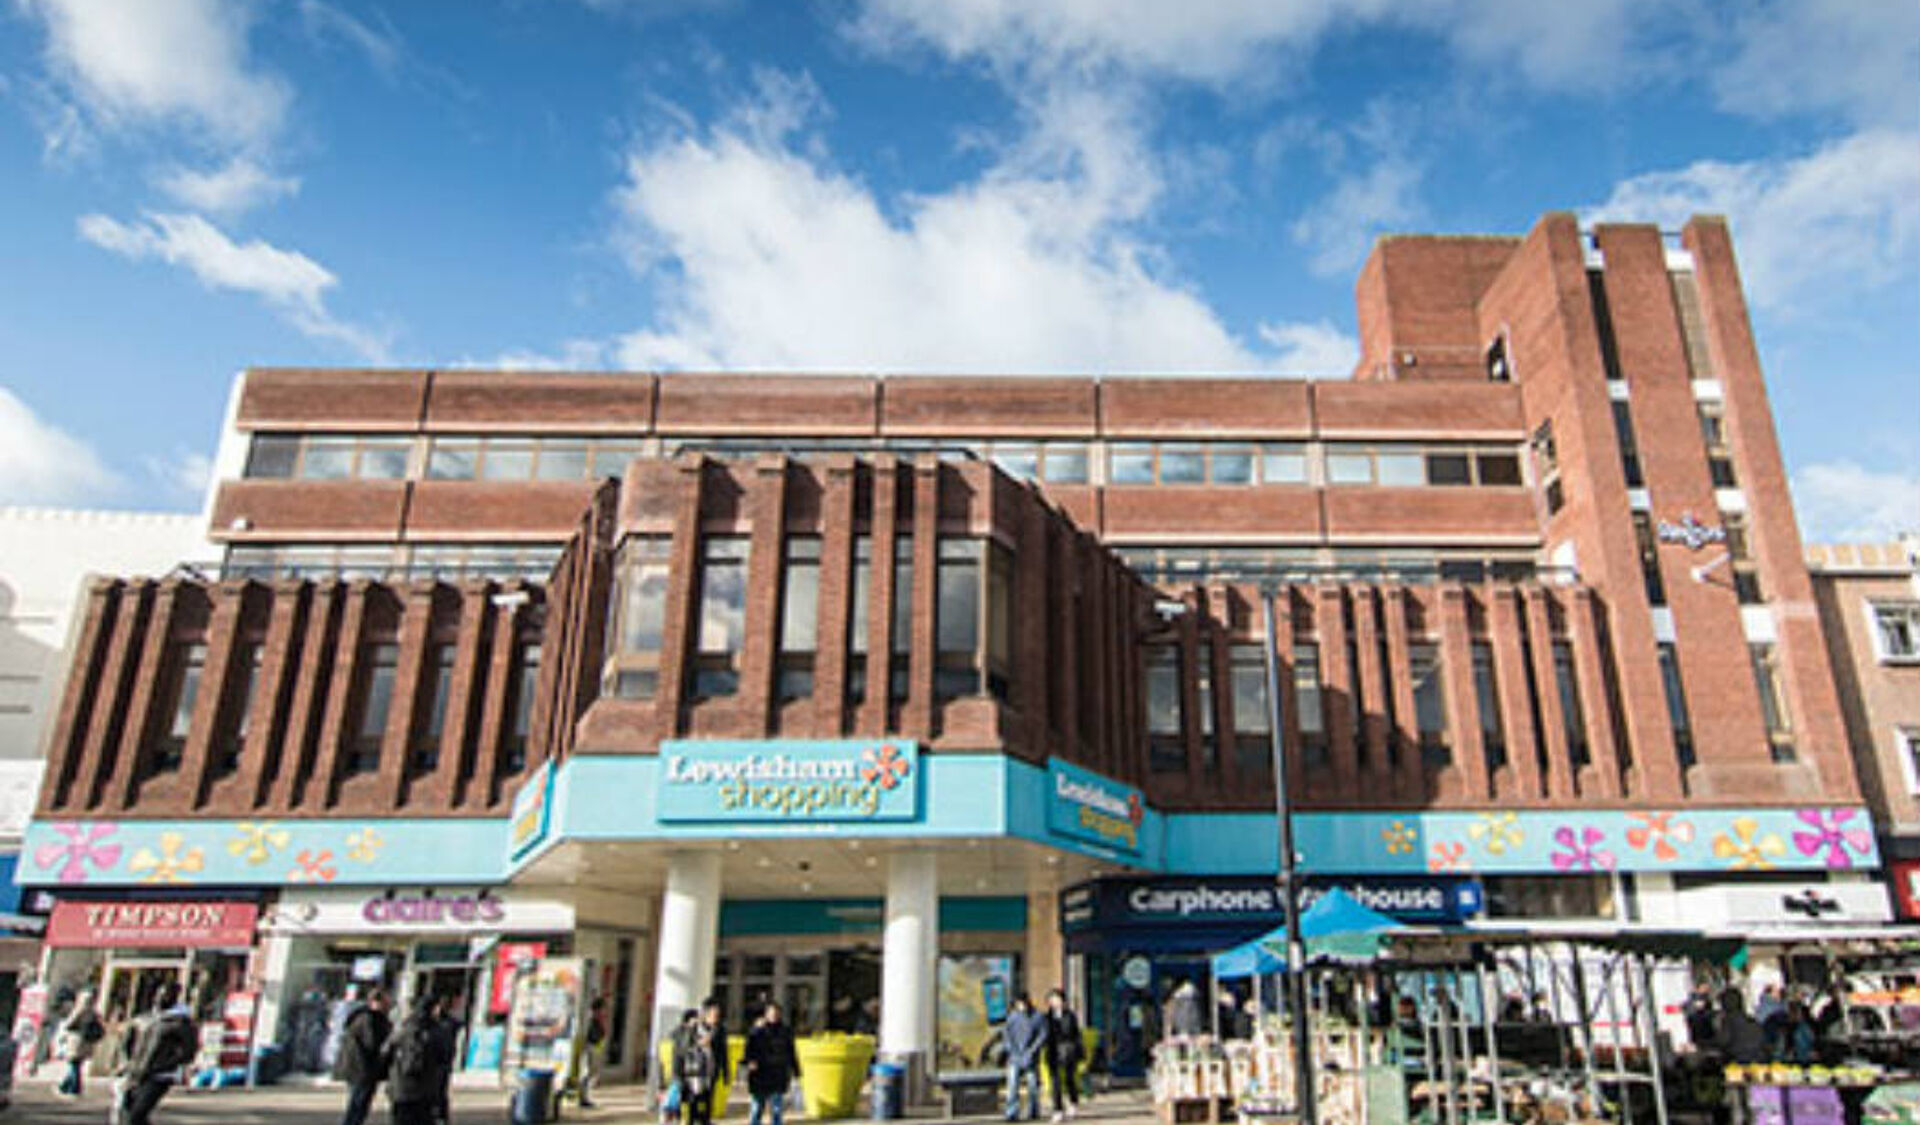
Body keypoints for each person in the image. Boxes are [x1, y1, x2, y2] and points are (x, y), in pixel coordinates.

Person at [117, 983, 197, 1125]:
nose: (159, 998)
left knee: (137, 1114)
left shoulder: (181, 1022)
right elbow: (130, 1042)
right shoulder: (147, 1018)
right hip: (137, 1072)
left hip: (159, 1075)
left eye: (165, 995)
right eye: (158, 995)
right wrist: (127, 1063)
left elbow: (188, 1052)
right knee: (128, 1112)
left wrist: (166, 1064)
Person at [385, 996, 455, 1125]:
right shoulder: (438, 1032)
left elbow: (386, 1052)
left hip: (401, 1087)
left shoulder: (403, 1028)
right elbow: (445, 1059)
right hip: (425, 1089)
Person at [333, 988, 392, 1125]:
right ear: (376, 1002)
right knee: (358, 1104)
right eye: (385, 1002)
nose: (388, 1005)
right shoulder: (369, 1019)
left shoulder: (362, 1017)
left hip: (360, 1068)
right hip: (363, 1068)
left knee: (358, 1104)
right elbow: (372, 1043)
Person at [744, 1001, 801, 1125]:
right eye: (771, 1013)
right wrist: (749, 1062)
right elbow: (749, 1049)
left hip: (778, 1073)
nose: (774, 1016)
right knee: (757, 1108)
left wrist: (796, 1070)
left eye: (776, 1013)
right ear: (766, 1014)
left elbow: (791, 1051)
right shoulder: (757, 1032)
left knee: (777, 1109)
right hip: (760, 1074)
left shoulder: (785, 1031)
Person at [1003, 994, 1048, 1122]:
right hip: (1014, 1057)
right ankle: (1012, 1113)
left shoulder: (1037, 1017)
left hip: (1031, 1057)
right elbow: (1006, 1035)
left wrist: (1032, 1050)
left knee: (1033, 1086)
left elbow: (1042, 1035)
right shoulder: (1012, 1017)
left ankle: (1033, 1111)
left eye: (1023, 1003)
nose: (1022, 1007)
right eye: (1019, 1004)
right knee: (1012, 1086)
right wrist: (1011, 1050)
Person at [53, 988, 105, 1098]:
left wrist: (66, 1027)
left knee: (74, 1064)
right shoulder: (93, 1011)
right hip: (86, 1042)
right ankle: (66, 1087)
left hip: (76, 1040)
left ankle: (72, 1088)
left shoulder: (79, 1010)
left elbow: (70, 1023)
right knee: (76, 1065)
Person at [675, 1006, 722, 1125]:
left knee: (706, 1103)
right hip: (693, 1074)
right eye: (712, 1016)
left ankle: (704, 1120)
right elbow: (681, 1050)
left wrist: (722, 1070)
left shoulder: (716, 1031)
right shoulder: (689, 1030)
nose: (715, 1019)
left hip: (708, 1073)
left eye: (717, 1016)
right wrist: (698, 1043)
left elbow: (721, 1052)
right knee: (692, 1103)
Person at [1042, 989, 1083, 1123]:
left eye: (1057, 999)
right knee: (1055, 1082)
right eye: (1052, 999)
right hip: (1053, 1052)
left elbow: (1075, 1034)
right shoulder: (1046, 1017)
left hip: (1068, 1051)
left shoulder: (1070, 1015)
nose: (1055, 1002)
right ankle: (1057, 1109)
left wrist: (1077, 1051)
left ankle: (1073, 1101)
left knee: (1069, 1079)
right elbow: (1044, 1034)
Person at [1717, 987, 1767, 1065]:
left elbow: (1724, 1041)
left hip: (1739, 1059)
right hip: (1758, 1057)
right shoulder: (1751, 1020)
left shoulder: (1729, 1019)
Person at [577, 997, 609, 1109]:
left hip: (594, 1047)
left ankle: (585, 1096)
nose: (604, 1012)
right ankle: (583, 1097)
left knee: (590, 1072)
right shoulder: (591, 1021)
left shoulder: (597, 1021)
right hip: (591, 1047)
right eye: (603, 1009)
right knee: (586, 1072)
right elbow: (592, 1036)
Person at [1683, 983, 1718, 1051]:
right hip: (1702, 1029)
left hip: (1701, 1029)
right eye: (1705, 987)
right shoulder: (1697, 998)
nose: (1707, 989)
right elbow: (1699, 1011)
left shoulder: (1700, 998)